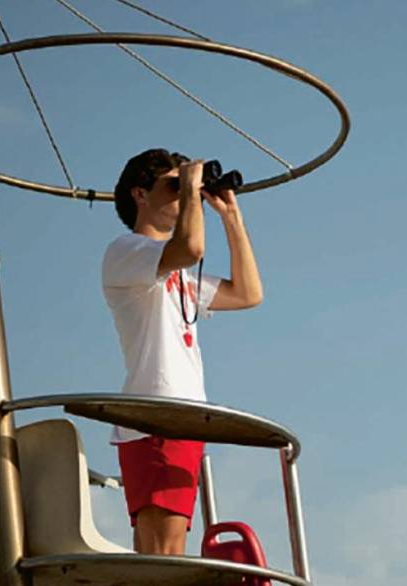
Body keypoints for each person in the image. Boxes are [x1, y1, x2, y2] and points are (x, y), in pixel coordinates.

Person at [102, 148, 263, 555]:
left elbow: (248, 294)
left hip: (181, 420)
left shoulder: (178, 277)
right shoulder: (126, 252)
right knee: (162, 554)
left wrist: (230, 217)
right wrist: (191, 190)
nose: (181, 195)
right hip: (157, 416)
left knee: (169, 552)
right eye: (172, 186)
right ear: (140, 195)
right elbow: (189, 248)